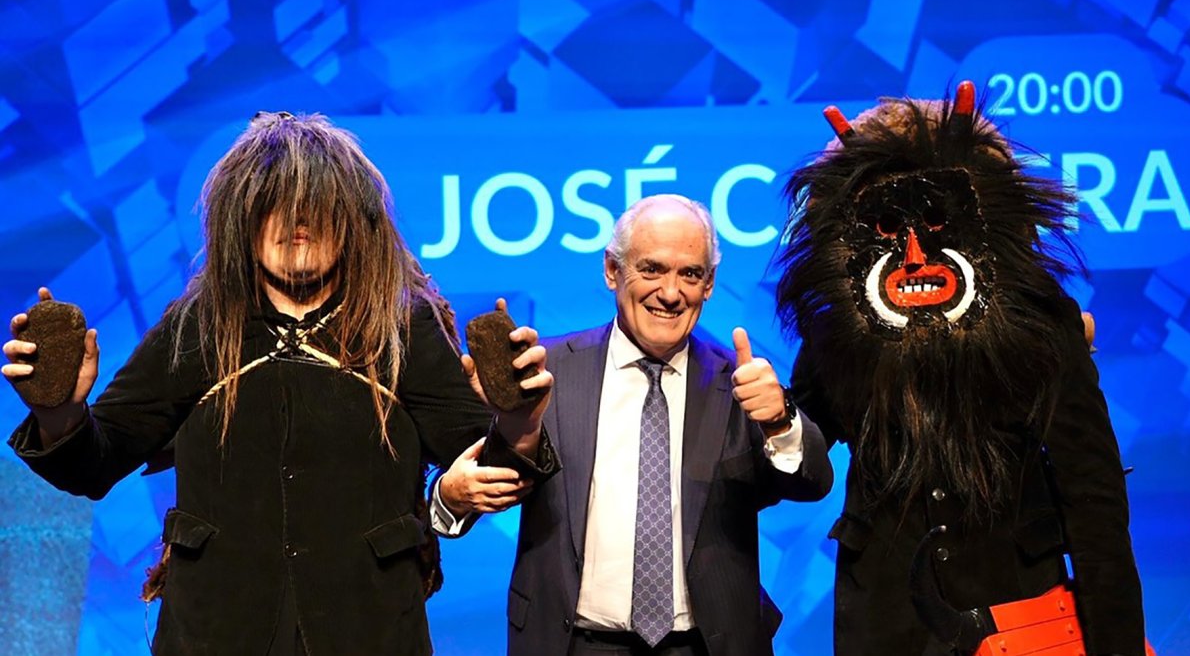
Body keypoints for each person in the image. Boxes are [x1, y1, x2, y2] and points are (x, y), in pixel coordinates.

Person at [2, 111, 556, 656]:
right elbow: (93, 465)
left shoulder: (401, 328)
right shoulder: (199, 324)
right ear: (242, 219)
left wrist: (516, 420)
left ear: (352, 221)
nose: (297, 222)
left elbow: (490, 468)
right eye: (275, 204)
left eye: (316, 205)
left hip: (369, 628)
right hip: (215, 631)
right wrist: (60, 414)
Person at [775, 83, 1147, 655]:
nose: (917, 251)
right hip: (887, 614)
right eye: (887, 226)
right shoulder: (840, 329)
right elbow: (808, 451)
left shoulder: (1040, 318)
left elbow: (1091, 491)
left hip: (1020, 606)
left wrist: (1116, 645)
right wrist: (778, 422)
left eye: (939, 218)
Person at [435, 194, 834, 656]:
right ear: (611, 271)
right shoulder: (548, 374)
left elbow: (814, 482)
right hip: (573, 644)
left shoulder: (741, 383)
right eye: (651, 269)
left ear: (710, 285)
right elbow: (482, 495)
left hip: (708, 644)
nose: (670, 292)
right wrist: (510, 425)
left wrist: (781, 421)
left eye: (690, 274)